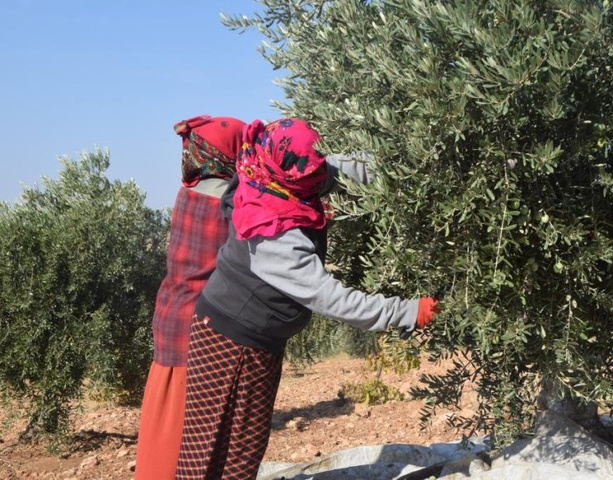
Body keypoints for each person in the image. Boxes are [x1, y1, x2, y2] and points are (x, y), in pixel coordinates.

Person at [174, 118, 440, 479]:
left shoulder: (271, 172)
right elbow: (332, 299)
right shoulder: (272, 233)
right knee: (216, 453)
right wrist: (406, 311)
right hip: (231, 343)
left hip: (253, 339)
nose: (319, 180)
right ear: (291, 178)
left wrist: (414, 162)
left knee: (243, 451)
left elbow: (337, 169)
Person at [134, 115, 246, 480]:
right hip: (196, 334)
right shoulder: (230, 200)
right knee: (187, 443)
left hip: (169, 320)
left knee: (162, 427)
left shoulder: (190, 189)